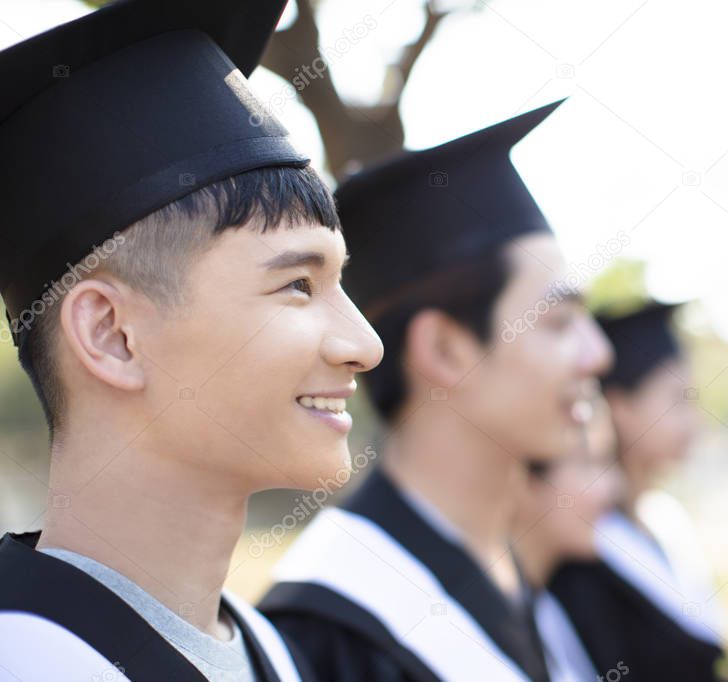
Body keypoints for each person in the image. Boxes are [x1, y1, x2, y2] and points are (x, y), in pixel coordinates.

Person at [0, 1, 382, 680]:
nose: (364, 343)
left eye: (340, 284)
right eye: (297, 284)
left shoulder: (271, 654)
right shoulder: (29, 661)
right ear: (114, 335)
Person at [259, 101, 613, 682]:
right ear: (445, 351)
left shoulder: (510, 570)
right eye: (557, 323)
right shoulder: (335, 630)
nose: (599, 354)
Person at [549, 301, 728, 682]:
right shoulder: (581, 548)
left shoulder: (666, 520)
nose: (695, 424)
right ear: (619, 407)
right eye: (678, 400)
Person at [512, 392, 624, 682]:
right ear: (522, 476)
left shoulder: (549, 611)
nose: (613, 488)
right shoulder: (491, 621)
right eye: (590, 465)